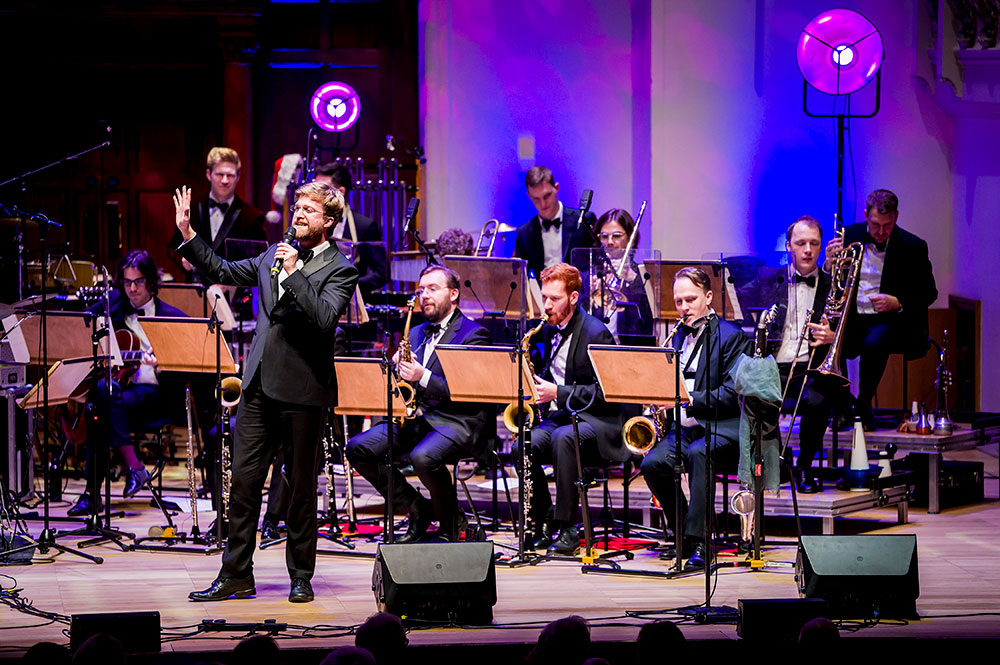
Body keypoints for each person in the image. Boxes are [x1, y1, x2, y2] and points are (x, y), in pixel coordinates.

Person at [174, 181, 359, 603]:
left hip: (303, 391)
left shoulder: (340, 268)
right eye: (297, 207)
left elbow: (324, 317)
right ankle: (236, 573)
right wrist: (188, 234)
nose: (298, 215)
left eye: (309, 210)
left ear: (328, 221)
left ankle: (301, 576)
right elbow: (222, 270)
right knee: (242, 483)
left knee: (299, 489)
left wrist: (294, 272)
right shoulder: (271, 256)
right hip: (258, 386)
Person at [346, 264, 492, 542]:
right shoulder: (414, 333)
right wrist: (393, 370)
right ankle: (416, 506)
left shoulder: (474, 334)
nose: (424, 295)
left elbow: (469, 391)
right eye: (421, 289)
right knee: (358, 448)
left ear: (453, 294)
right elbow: (402, 385)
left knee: (422, 458)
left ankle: (450, 522)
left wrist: (422, 376)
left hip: (457, 421)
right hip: (418, 420)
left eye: (432, 289)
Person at [639, 267, 752, 570]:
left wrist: (685, 398)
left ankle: (704, 544)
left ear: (709, 297)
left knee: (698, 453)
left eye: (691, 299)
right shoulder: (675, 338)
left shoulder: (733, 337)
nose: (684, 307)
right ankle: (685, 535)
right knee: (652, 464)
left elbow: (732, 394)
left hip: (722, 428)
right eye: (678, 301)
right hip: (685, 429)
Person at [68, 250, 187, 516]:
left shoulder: (171, 316)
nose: (132, 288)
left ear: (152, 282)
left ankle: (92, 495)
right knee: (99, 402)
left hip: (154, 394)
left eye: (139, 282)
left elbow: (184, 372)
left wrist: (163, 364)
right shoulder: (114, 302)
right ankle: (133, 466)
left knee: (99, 404)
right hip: (119, 391)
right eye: (126, 281)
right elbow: (82, 325)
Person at [523, 263, 626, 556]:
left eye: (554, 299)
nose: (546, 305)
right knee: (525, 442)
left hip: (601, 420)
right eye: (544, 297)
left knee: (563, 438)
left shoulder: (597, 332)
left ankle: (568, 527)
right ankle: (544, 518)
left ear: (573, 297)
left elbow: (608, 393)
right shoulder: (545, 329)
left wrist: (558, 392)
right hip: (562, 417)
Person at [823, 189, 937, 430]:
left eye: (887, 225)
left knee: (875, 343)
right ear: (866, 215)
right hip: (852, 317)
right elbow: (832, 281)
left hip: (887, 321)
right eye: (875, 225)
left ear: (896, 216)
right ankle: (844, 404)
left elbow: (929, 292)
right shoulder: (849, 235)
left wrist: (899, 301)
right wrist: (828, 264)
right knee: (831, 339)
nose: (881, 232)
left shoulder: (913, 246)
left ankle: (864, 403)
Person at [750, 217, 836, 493]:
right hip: (775, 363)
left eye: (814, 243)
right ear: (789, 247)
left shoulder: (832, 285)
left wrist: (834, 337)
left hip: (811, 366)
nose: (808, 250)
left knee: (819, 401)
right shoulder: (770, 279)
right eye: (801, 244)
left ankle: (805, 467)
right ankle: (774, 465)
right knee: (757, 397)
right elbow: (738, 298)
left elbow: (855, 331)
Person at [167, 146, 267, 284]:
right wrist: (182, 260)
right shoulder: (191, 209)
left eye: (230, 175)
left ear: (238, 177)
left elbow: (259, 261)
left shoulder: (253, 217)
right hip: (196, 290)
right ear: (209, 174)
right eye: (220, 174)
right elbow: (173, 246)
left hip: (233, 297)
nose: (225, 180)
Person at [315, 161, 388, 300]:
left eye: (322, 190)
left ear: (340, 192)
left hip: (351, 304)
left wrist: (349, 284)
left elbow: (381, 274)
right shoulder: (310, 222)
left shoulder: (365, 226)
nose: (315, 195)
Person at [514, 166, 596, 279]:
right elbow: (521, 276)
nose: (543, 204)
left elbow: (595, 264)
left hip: (578, 292)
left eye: (547, 195)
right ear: (529, 196)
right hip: (541, 294)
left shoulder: (583, 220)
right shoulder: (524, 233)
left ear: (556, 188)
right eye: (536, 199)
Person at [587, 208, 654, 341]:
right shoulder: (590, 274)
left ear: (630, 238)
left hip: (629, 351)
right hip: (595, 349)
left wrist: (632, 280)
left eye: (617, 236)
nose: (609, 242)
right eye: (604, 236)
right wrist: (590, 298)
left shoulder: (642, 276)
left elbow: (647, 320)